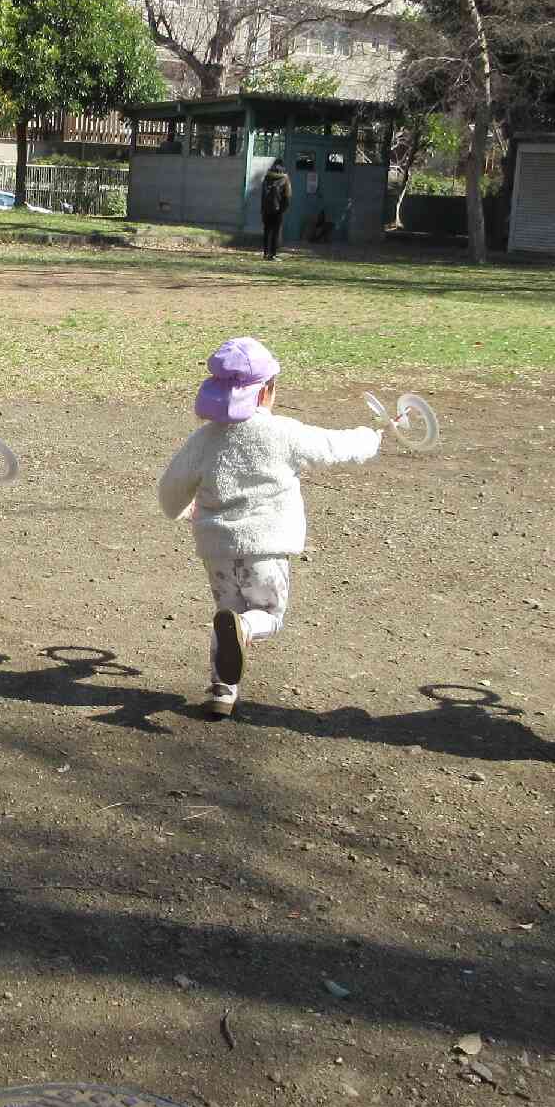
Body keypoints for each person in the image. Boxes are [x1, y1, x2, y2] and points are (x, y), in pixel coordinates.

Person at [158, 336, 383, 717]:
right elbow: (332, 446)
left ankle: (223, 690)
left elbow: (171, 489)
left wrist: (179, 508)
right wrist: (370, 438)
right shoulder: (283, 433)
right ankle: (246, 629)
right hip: (266, 546)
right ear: (267, 391)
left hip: (217, 548)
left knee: (225, 610)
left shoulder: (203, 439)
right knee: (267, 616)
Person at [259, 160, 292, 260]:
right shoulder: (285, 178)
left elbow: (263, 195)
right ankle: (272, 254)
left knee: (267, 231)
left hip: (266, 209)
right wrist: (283, 209)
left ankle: (265, 253)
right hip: (278, 210)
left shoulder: (267, 177)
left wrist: (262, 208)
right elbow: (287, 195)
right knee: (275, 232)